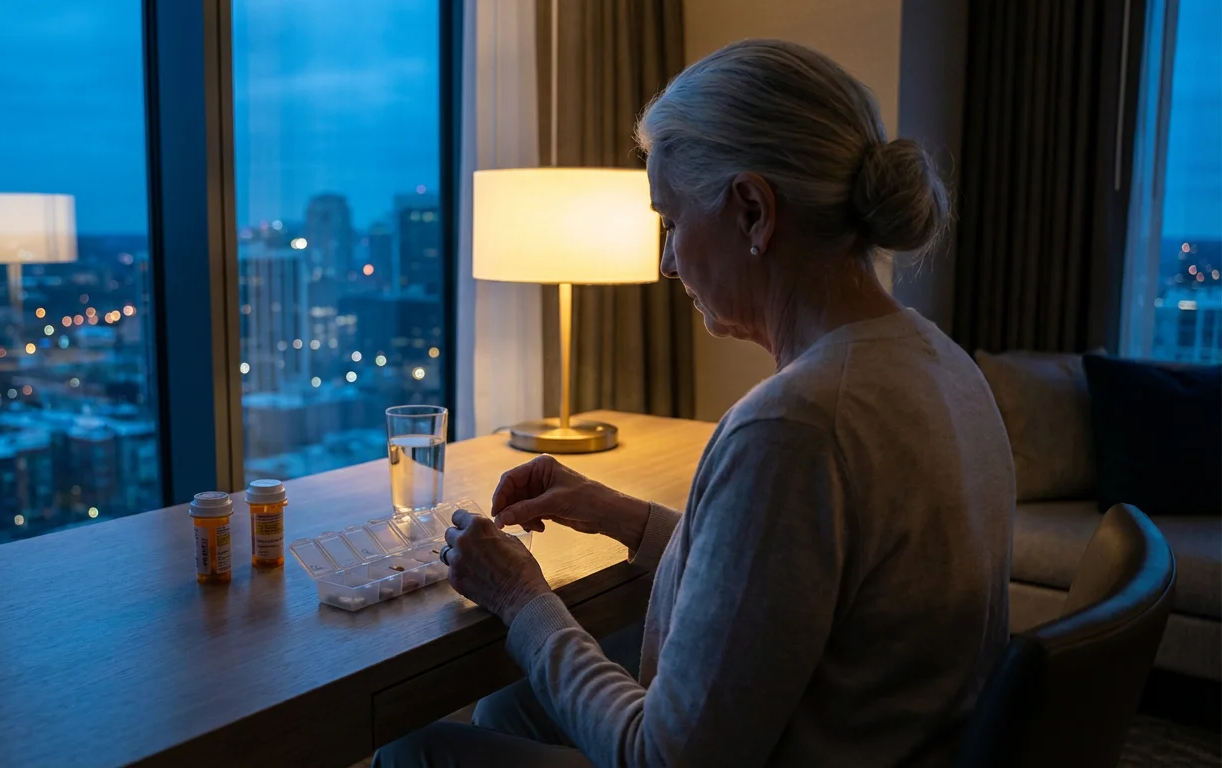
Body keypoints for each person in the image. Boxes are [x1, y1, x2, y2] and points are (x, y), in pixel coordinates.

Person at [375, 38, 1014, 768]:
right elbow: (779, 581)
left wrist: (521, 599)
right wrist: (617, 514)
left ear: (751, 211)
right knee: (511, 704)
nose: (668, 260)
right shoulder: (939, 360)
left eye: (673, 222)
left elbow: (666, 758)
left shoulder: (795, 425)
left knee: (414, 752)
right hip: (892, 737)